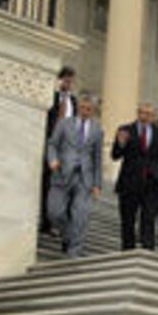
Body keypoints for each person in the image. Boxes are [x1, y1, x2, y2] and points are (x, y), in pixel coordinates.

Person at [47, 93, 104, 257]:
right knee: (54, 212)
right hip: (61, 173)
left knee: (81, 215)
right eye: (83, 108)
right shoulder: (64, 124)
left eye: (89, 109)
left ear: (93, 110)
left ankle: (74, 253)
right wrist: (53, 160)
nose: (85, 111)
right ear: (78, 107)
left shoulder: (97, 130)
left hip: (85, 178)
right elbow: (52, 144)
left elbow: (97, 158)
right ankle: (68, 236)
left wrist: (97, 184)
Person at [111, 102, 158, 250]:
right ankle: (127, 249)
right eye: (142, 113)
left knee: (149, 218)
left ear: (154, 116)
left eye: (148, 114)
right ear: (138, 113)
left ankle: (147, 250)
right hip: (129, 182)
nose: (145, 117)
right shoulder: (125, 130)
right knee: (128, 219)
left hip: (151, 183)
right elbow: (115, 155)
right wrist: (120, 143)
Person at [40, 66, 77, 234]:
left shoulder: (74, 102)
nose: (68, 84)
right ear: (59, 80)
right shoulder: (52, 97)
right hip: (50, 145)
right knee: (46, 183)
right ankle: (45, 222)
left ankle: (58, 223)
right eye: (66, 80)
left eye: (71, 81)